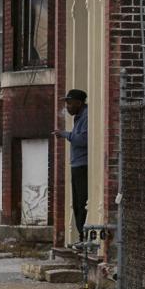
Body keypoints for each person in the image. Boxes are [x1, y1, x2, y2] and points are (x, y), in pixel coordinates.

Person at [54, 89, 88, 239]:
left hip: (83, 166)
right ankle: (81, 234)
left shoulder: (86, 117)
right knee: (77, 204)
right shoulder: (79, 117)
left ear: (79, 103)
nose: (67, 106)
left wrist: (64, 134)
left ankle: (83, 236)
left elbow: (82, 140)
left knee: (81, 203)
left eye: (69, 103)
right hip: (77, 165)